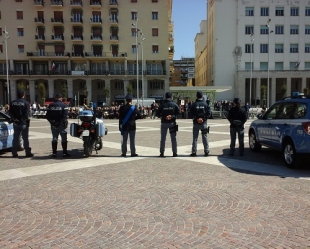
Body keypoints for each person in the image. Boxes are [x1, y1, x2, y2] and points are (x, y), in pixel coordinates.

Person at [9, 89, 34, 157]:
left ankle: (14, 152)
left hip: (15, 123)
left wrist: (15, 119)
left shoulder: (12, 102)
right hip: (23, 123)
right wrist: (21, 120)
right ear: (23, 95)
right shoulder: (26, 103)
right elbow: (26, 114)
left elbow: (10, 112)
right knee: (25, 138)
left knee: (15, 138)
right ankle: (27, 152)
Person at [156, 92, 181, 157]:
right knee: (173, 138)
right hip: (172, 123)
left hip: (164, 123)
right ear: (171, 97)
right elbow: (179, 114)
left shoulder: (162, 105)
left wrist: (164, 117)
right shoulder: (174, 104)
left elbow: (157, 114)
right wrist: (172, 116)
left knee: (163, 138)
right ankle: (174, 152)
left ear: (165, 97)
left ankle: (162, 152)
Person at [189, 91, 211, 157]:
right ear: (202, 96)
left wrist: (196, 119)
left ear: (196, 96)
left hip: (196, 123)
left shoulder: (194, 104)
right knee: (205, 137)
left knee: (195, 138)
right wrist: (203, 119)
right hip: (203, 123)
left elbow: (191, 114)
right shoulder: (205, 104)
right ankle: (206, 151)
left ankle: (194, 152)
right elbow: (209, 113)